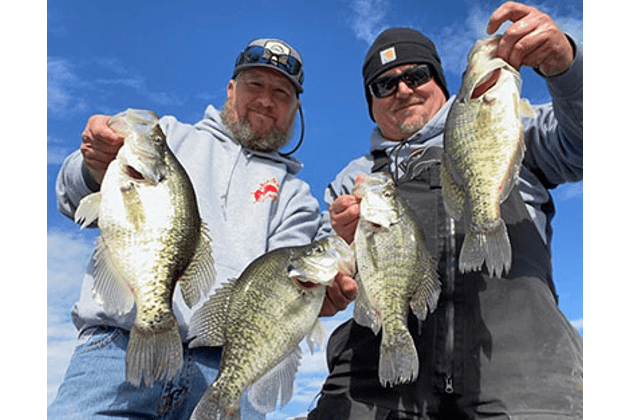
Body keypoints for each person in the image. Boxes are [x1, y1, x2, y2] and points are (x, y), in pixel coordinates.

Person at [49, 38, 355, 420]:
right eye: (254, 85)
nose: (266, 100)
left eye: (282, 93)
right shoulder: (168, 137)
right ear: (231, 90)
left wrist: (312, 297)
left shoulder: (297, 197)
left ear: (296, 109)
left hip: (227, 366)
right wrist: (95, 166)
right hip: (116, 350)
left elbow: (283, 277)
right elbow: (70, 196)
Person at [309, 2, 583, 419]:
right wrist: (337, 269)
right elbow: (320, 278)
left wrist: (568, 70)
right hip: (379, 381)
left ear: (441, 83)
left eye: (415, 76)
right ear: (372, 104)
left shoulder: (509, 121)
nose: (402, 90)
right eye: (385, 86)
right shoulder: (352, 180)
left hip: (525, 371)